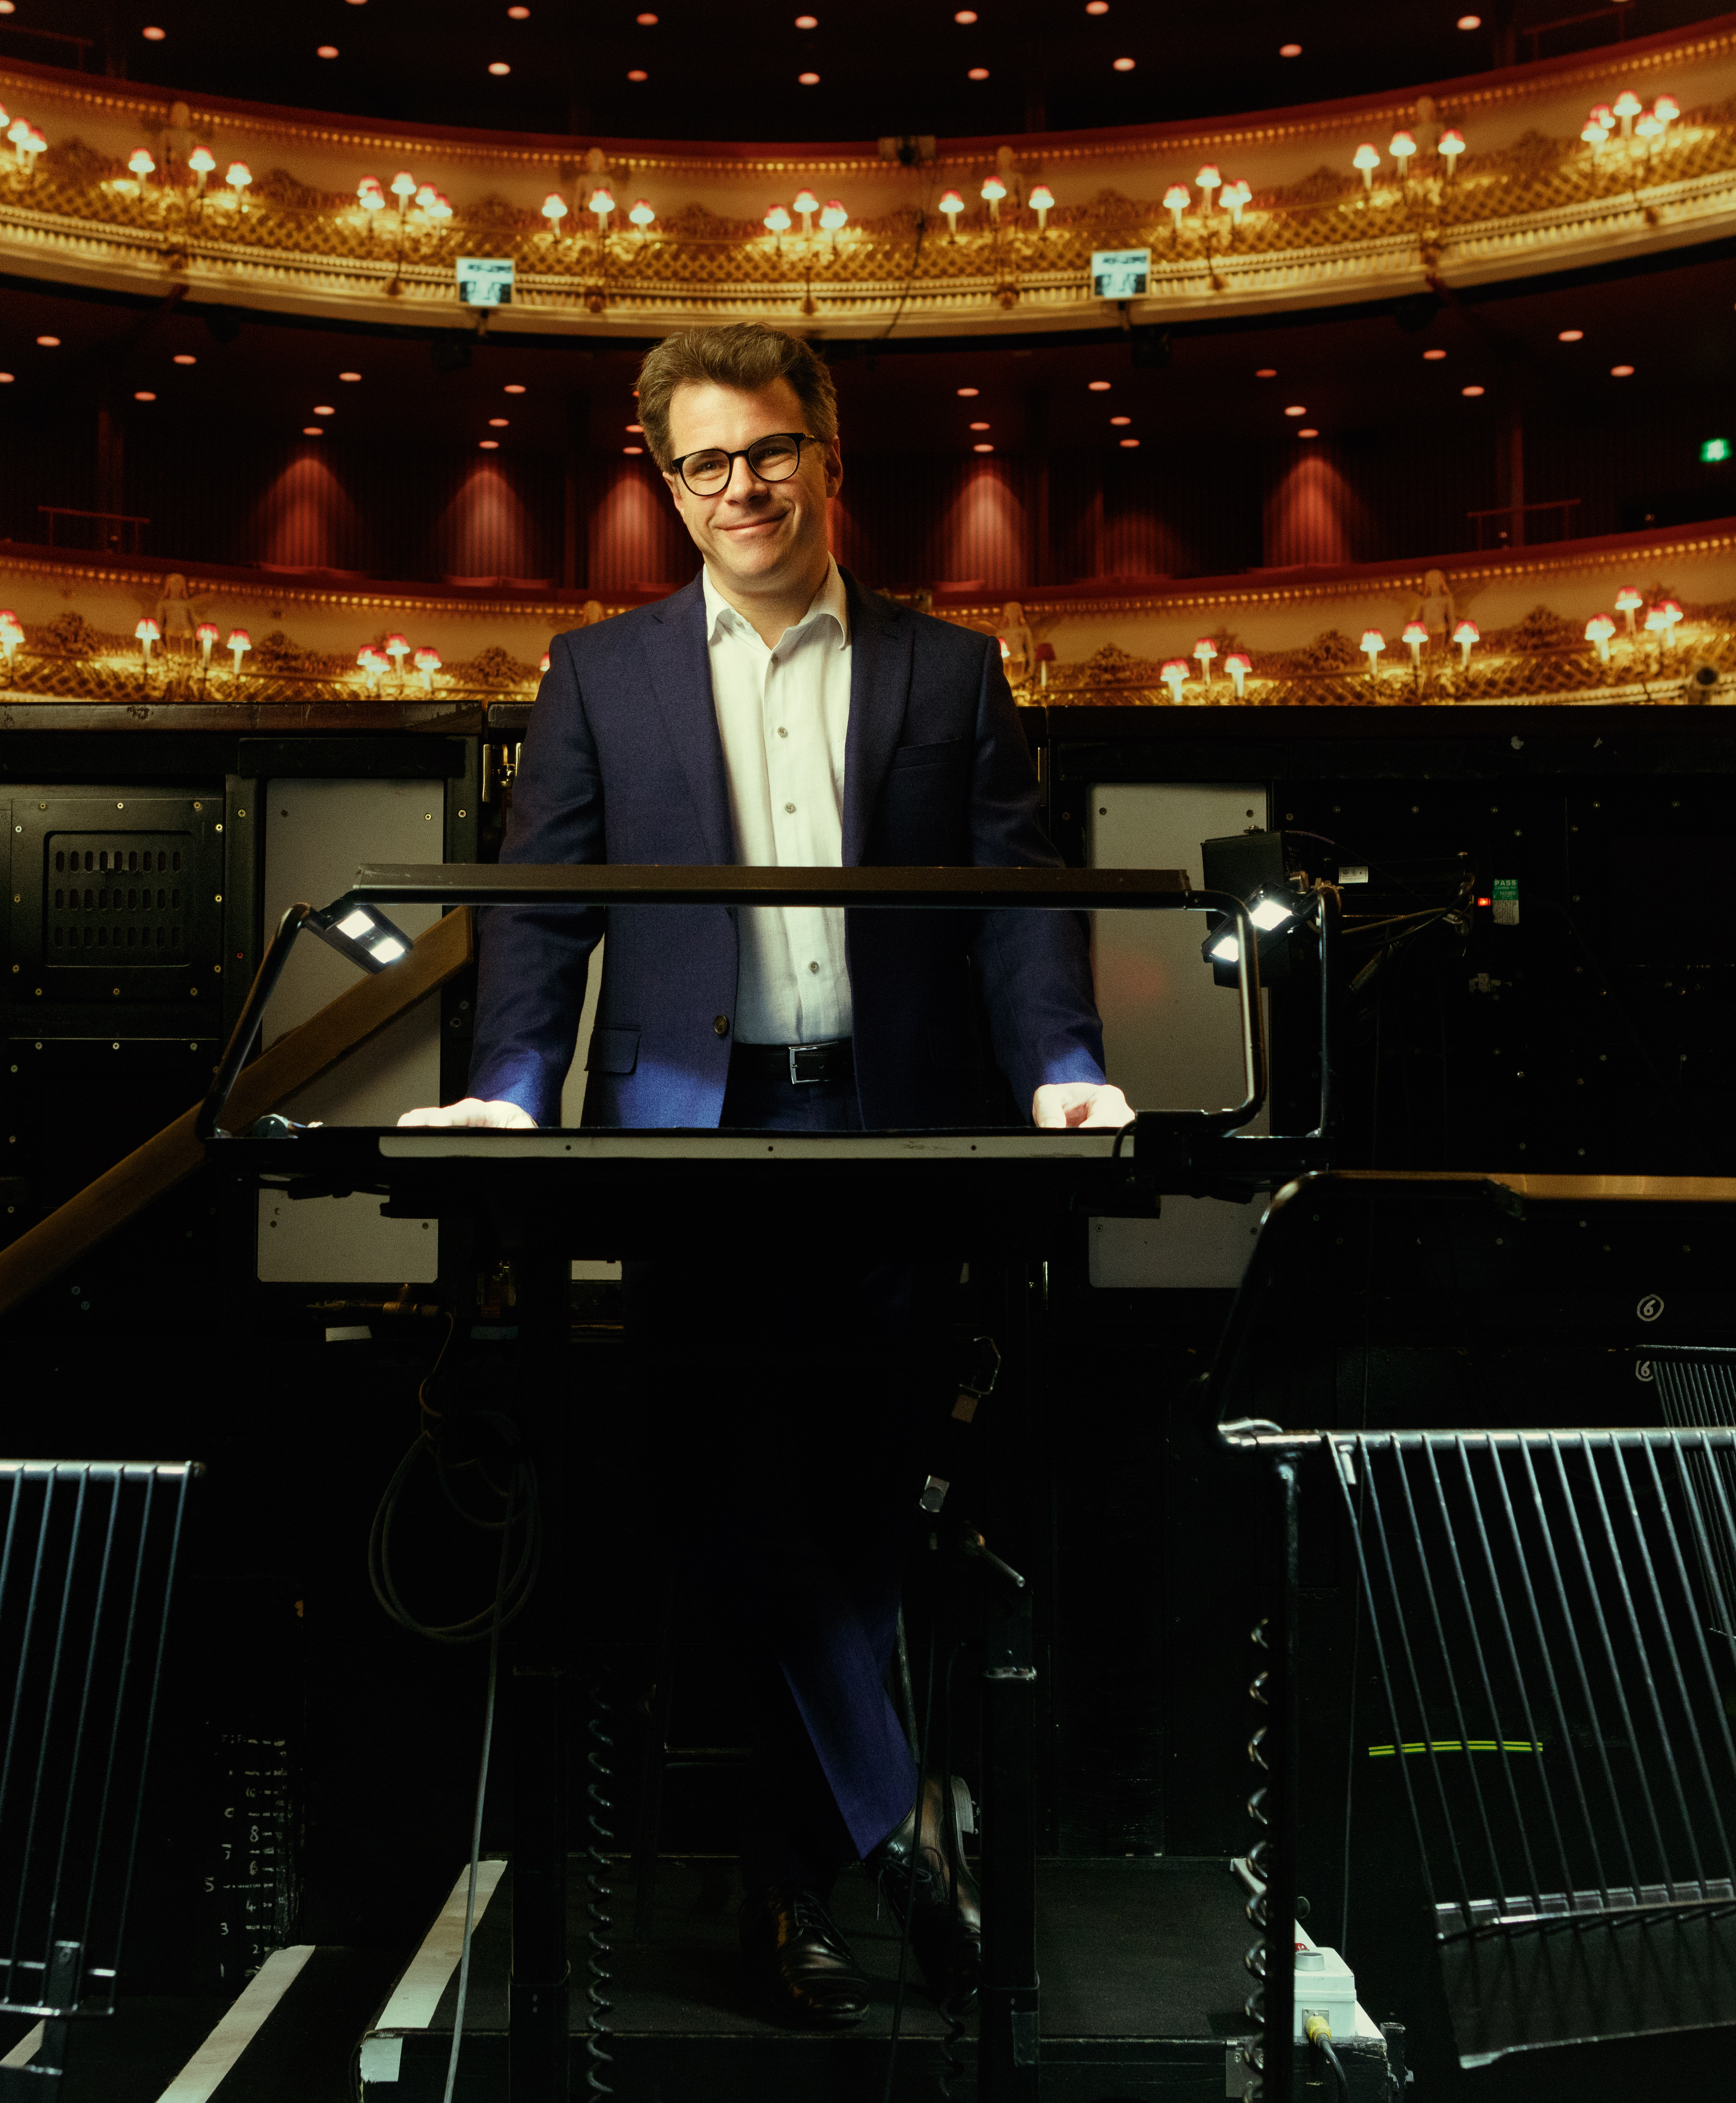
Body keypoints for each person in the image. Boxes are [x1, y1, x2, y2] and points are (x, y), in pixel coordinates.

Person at [401, 322, 1129, 2026]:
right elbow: (539, 905)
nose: (740, 487)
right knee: (732, 1499)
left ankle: (794, 1904)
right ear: (668, 484)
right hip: (689, 1151)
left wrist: (1065, 1071)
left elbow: (1014, 902)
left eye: (768, 451)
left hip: (890, 1137)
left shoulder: (947, 675)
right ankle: (902, 1819)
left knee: (861, 1525)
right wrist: (509, 1087)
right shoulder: (600, 671)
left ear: (827, 458)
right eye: (704, 462)